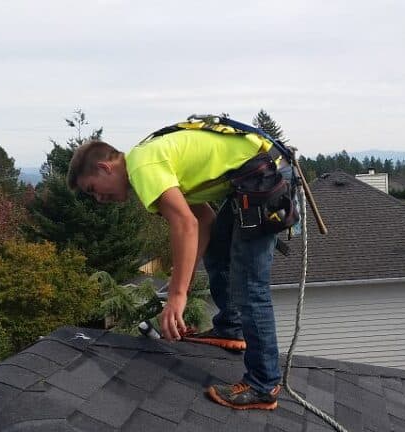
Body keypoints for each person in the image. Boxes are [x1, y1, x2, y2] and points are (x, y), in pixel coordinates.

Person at [67, 126, 287, 410]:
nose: (98, 199)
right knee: (218, 253)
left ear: (104, 167)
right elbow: (203, 221)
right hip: (256, 172)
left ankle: (263, 383)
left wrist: (177, 296)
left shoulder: (142, 168)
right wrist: (184, 279)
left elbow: (184, 224)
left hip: (263, 174)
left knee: (250, 285)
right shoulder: (147, 161)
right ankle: (231, 329)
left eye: (93, 189)